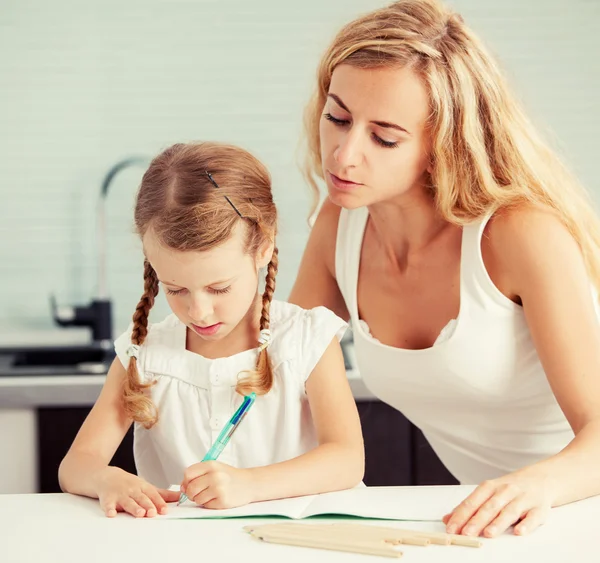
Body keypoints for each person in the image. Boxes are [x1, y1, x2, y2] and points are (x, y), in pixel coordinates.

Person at [290, 0, 600, 538]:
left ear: (442, 147)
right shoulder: (339, 224)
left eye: (383, 137)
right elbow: (275, 371)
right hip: (497, 527)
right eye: (337, 118)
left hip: (571, 508)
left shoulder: (519, 234)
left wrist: (537, 485)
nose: (343, 155)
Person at [59, 141, 364, 518]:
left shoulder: (307, 339)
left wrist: (250, 484)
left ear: (263, 249)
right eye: (176, 289)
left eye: (219, 288)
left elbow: (348, 459)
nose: (199, 312)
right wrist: (107, 479)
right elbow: (76, 465)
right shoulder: (144, 355)